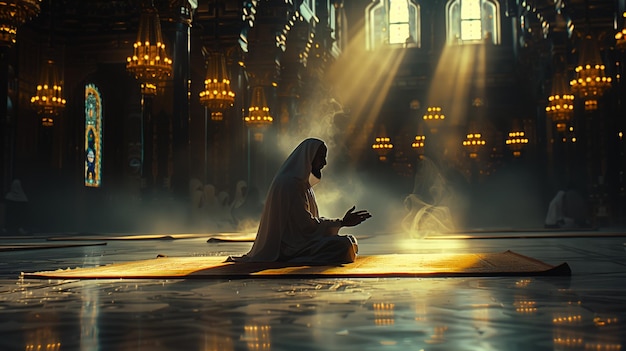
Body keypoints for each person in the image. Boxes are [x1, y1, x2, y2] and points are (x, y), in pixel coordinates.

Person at [229, 138, 371, 264]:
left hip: (301, 241)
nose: (325, 163)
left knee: (350, 241)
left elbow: (309, 223)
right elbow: (305, 225)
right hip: (290, 246)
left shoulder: (302, 184)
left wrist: (339, 223)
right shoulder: (290, 184)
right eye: (321, 158)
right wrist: (341, 222)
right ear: (309, 157)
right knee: (344, 245)